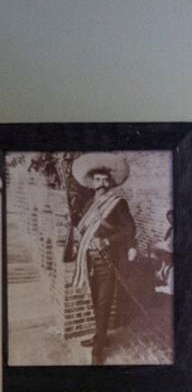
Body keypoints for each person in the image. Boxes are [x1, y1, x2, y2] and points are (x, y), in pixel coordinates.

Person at [68, 152, 137, 364]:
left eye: (105, 179)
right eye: (97, 179)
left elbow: (129, 230)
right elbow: (82, 227)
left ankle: (98, 350)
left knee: (104, 302)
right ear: (92, 182)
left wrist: (107, 241)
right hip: (89, 260)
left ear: (111, 181)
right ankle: (101, 336)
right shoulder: (89, 203)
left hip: (107, 260)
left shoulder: (118, 203)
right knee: (96, 300)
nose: (102, 183)